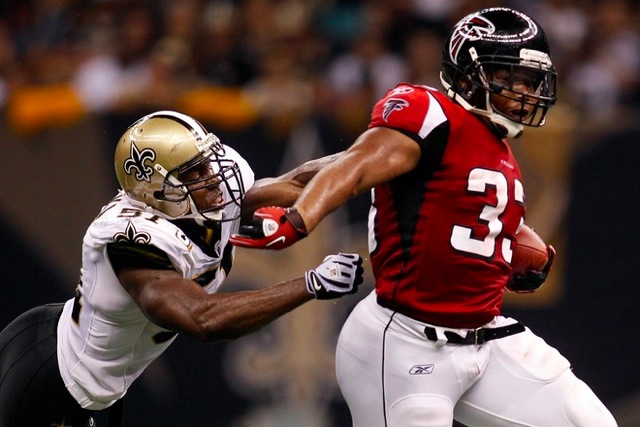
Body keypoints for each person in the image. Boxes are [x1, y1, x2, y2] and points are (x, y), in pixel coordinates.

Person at [230, 7, 619, 427]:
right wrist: (299, 218)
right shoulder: (429, 113)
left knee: (589, 421)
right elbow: (355, 166)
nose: (525, 91)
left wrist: (511, 246)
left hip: (487, 337)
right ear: (468, 76)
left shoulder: (498, 146)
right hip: (405, 341)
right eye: (512, 77)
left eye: (531, 80)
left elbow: (458, 212)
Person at [0, 110, 364, 426]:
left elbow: (296, 183)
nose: (213, 176)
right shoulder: (131, 241)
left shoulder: (203, 192)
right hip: (55, 380)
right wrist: (310, 284)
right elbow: (202, 319)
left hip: (86, 366)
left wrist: (375, 158)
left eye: (207, 162)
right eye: (195, 171)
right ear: (158, 190)